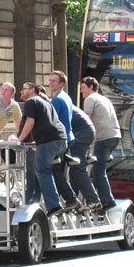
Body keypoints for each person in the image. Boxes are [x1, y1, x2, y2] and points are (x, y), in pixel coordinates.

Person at [18, 82, 68, 217]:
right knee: (46, 170)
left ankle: (54, 205)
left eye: (24, 89)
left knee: (42, 170)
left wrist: (19, 139)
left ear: (33, 90)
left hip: (49, 141)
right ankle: (68, 199)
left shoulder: (31, 101)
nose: (21, 91)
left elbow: (30, 122)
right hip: (61, 139)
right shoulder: (45, 101)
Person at [81, 76, 121, 211]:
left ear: (91, 87)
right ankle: (98, 200)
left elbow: (86, 121)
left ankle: (107, 201)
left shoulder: (90, 99)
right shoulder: (104, 98)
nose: (81, 91)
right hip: (114, 137)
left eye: (83, 88)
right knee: (97, 171)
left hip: (102, 138)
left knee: (98, 171)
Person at [48, 71, 80, 210]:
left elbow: (50, 122)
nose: (50, 83)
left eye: (54, 81)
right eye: (50, 80)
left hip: (60, 139)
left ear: (61, 84)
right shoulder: (66, 97)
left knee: (55, 171)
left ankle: (70, 199)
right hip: (68, 137)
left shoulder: (57, 100)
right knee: (59, 171)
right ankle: (68, 200)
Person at [69, 105, 101, 210]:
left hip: (81, 134)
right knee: (74, 169)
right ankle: (75, 202)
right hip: (87, 132)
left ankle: (93, 200)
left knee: (78, 169)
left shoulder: (55, 104)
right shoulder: (62, 102)